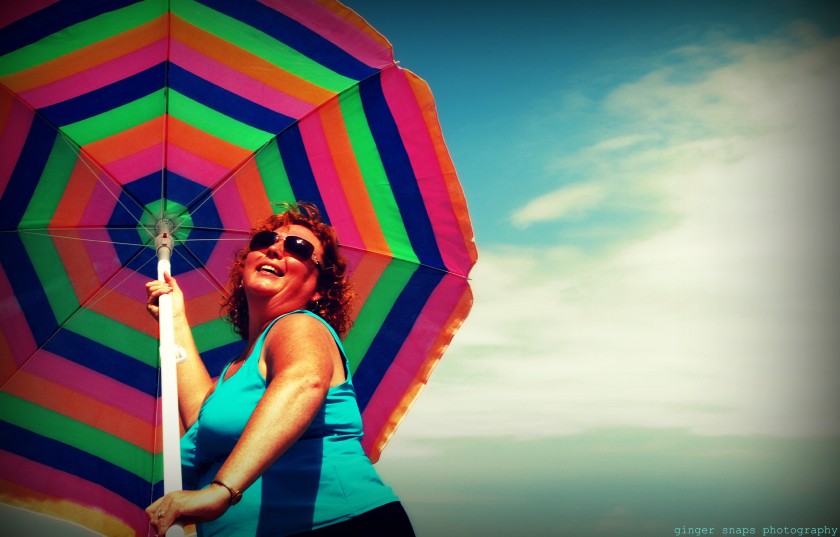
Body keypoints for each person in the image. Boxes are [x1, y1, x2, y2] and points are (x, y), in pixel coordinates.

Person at [144, 202, 415, 536]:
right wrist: (175, 320)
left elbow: (303, 382)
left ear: (319, 290)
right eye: (264, 241)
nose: (274, 249)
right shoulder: (234, 371)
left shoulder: (299, 325)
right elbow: (197, 419)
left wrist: (221, 491)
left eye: (297, 248)